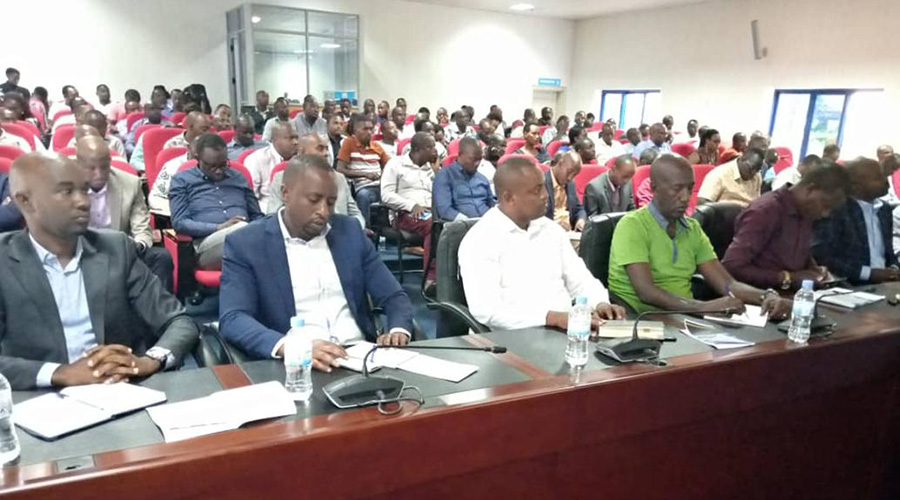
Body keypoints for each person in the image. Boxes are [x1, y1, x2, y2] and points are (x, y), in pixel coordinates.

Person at [0, 152, 198, 390]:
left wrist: (149, 361)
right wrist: (59, 373)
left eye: (84, 190)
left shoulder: (116, 248)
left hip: (118, 392)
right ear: (24, 201)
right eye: (66, 191)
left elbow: (179, 321)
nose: (83, 201)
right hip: (37, 399)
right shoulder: (4, 260)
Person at [219, 154, 414, 363]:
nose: (323, 211)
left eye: (330, 203)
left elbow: (393, 295)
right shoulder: (247, 243)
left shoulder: (349, 232)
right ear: (285, 193)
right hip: (297, 364)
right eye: (314, 200)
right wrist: (292, 347)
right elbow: (234, 318)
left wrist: (398, 329)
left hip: (360, 356)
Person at [608, 155, 791, 317]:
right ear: (654, 188)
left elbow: (728, 285)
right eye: (677, 189)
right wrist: (703, 307)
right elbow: (646, 292)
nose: (685, 197)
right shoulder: (633, 225)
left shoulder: (692, 228)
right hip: (642, 318)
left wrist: (766, 296)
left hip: (685, 316)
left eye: (690, 188)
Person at [458, 156, 625, 331]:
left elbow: (580, 279)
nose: (545, 195)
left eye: (544, 186)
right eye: (536, 190)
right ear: (509, 197)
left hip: (566, 332)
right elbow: (487, 310)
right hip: (513, 340)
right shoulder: (480, 240)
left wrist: (599, 302)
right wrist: (551, 318)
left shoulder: (551, 230)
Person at [722, 163, 851, 290]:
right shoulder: (766, 210)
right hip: (760, 297)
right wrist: (787, 277)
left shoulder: (805, 211)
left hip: (791, 294)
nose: (825, 213)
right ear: (810, 189)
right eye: (825, 205)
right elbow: (732, 266)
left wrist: (813, 269)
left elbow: (794, 254)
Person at [75, 136, 174, 291]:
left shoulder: (130, 183)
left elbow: (142, 228)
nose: (99, 173)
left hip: (120, 249)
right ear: (78, 165)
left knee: (161, 258)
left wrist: (137, 245)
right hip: (80, 249)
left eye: (104, 166)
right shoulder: (64, 185)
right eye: (92, 168)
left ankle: (161, 312)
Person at [169, 133, 264, 270]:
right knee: (241, 230)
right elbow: (179, 222)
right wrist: (219, 227)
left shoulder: (238, 177)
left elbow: (256, 215)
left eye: (223, 164)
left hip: (248, 236)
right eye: (212, 166)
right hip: (207, 244)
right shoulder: (182, 180)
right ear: (198, 159)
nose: (219, 171)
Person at [811, 158, 898, 285]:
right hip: (848, 284)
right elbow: (823, 256)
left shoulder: (884, 209)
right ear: (856, 186)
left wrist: (894, 269)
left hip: (886, 283)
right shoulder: (836, 209)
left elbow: (888, 252)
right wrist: (868, 274)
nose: (886, 182)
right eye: (878, 178)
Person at [267, 134, 364, 227]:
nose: (326, 153)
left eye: (327, 149)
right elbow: (272, 215)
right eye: (320, 148)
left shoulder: (339, 178)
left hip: (340, 234)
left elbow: (354, 213)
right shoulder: (282, 178)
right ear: (301, 152)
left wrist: (356, 229)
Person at [381, 132, 438, 281]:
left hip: (430, 212)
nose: (434, 151)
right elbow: (386, 195)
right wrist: (412, 206)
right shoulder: (395, 164)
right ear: (417, 149)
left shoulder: (429, 169)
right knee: (433, 225)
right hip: (405, 214)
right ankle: (431, 278)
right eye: (430, 147)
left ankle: (448, 275)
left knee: (449, 224)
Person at [433, 137, 494, 221]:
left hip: (486, 224)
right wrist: (468, 222)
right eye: (473, 159)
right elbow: (445, 210)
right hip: (459, 226)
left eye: (480, 159)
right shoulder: (445, 175)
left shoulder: (482, 179)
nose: (477, 163)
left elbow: (491, 205)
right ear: (460, 155)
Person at [243, 121, 298, 210]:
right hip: (267, 209)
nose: (296, 142)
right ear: (275, 140)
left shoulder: (300, 159)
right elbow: (251, 197)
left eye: (296, 138)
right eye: (291, 138)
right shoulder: (256, 159)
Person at [696, 147, 764, 207]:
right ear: (741, 159)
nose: (753, 173)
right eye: (751, 168)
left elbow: (756, 203)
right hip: (725, 217)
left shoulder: (757, 176)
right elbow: (702, 203)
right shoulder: (719, 174)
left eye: (757, 170)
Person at [543, 151, 587, 232]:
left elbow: (578, 209)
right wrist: (555, 226)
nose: (570, 178)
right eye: (569, 172)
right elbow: (535, 217)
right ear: (560, 163)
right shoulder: (541, 182)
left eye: (574, 175)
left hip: (569, 233)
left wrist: (581, 220)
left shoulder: (570, 184)